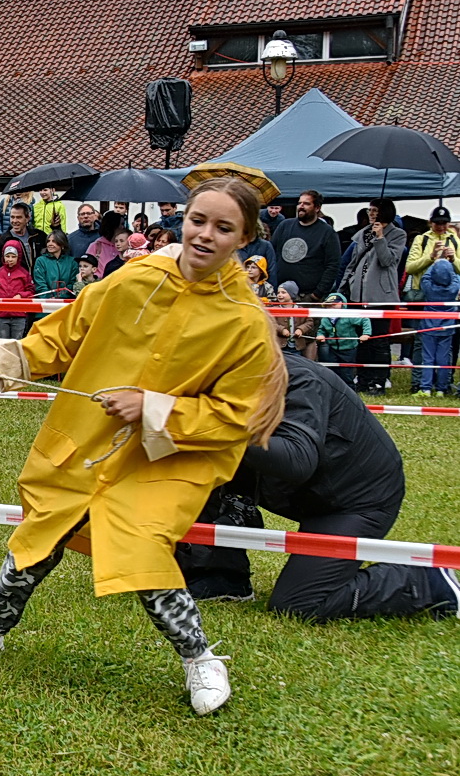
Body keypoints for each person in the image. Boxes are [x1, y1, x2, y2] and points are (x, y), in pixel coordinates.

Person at [0, 177, 285, 716]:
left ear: (244, 238)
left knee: (139, 540)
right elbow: (64, 333)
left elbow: (234, 417)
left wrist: (153, 407)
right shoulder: (136, 276)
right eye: (198, 220)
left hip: (172, 457)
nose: (205, 235)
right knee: (43, 528)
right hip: (93, 436)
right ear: (183, 220)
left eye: (223, 227)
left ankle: (200, 659)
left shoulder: (246, 325)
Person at [181, 353, 440, 619]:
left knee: (299, 604)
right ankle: (222, 575)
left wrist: (210, 421)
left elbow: (296, 459)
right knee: (186, 464)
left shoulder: (296, 378)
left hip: (355, 499)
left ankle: (426, 580)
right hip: (293, 490)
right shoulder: (199, 374)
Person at [340, 197, 406, 394]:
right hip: (358, 294)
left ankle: (379, 379)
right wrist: (344, 285)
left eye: (374, 210)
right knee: (361, 338)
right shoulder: (362, 234)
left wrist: (380, 238)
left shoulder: (398, 235)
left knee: (379, 339)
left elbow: (388, 260)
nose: (370, 214)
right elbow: (352, 262)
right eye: (369, 210)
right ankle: (362, 378)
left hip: (381, 296)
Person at [272, 190, 341, 299]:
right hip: (281, 293)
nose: (301, 206)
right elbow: (272, 254)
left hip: (308, 296)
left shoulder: (327, 233)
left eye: (306, 204)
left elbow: (333, 265)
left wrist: (317, 294)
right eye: (299, 203)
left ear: (317, 208)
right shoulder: (284, 226)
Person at [415, 256, 457, 397]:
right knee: (444, 359)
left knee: (428, 358)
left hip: (429, 327)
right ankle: (441, 389)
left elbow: (425, 276)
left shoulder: (428, 287)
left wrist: (435, 262)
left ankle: (426, 387)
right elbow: (456, 276)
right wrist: (449, 262)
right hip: (448, 327)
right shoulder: (454, 287)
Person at [0, 238, 36, 338]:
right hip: (1, 315)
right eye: (7, 256)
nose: (10, 259)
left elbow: (31, 291)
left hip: (19, 315)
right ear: (3, 256)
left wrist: (21, 295)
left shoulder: (24, 273)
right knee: (3, 343)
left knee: (16, 342)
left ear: (18, 257)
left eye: (13, 256)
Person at [33, 230, 76, 299]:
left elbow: (73, 283)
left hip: (66, 303)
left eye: (54, 241)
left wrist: (60, 297)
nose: (50, 244)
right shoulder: (40, 261)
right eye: (48, 241)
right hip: (46, 303)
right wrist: (48, 298)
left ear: (62, 244)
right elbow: (40, 284)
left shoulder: (72, 262)